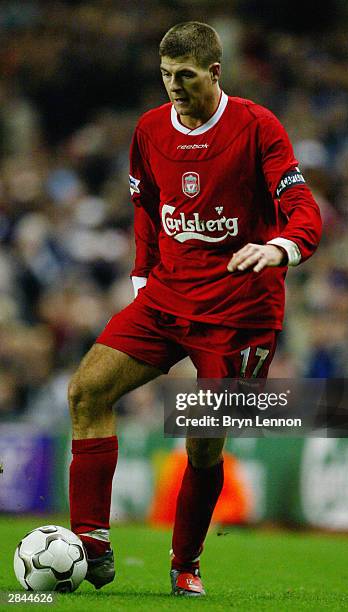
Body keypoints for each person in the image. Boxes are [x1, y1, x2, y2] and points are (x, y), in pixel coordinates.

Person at [68, 21, 322, 597]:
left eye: (184, 75)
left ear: (214, 72)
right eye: (165, 76)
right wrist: (140, 275)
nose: (173, 87)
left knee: (203, 440)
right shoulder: (150, 129)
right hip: (165, 298)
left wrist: (280, 246)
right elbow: (145, 205)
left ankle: (186, 563)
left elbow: (302, 206)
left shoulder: (257, 127)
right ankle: (91, 543)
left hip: (240, 313)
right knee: (87, 391)